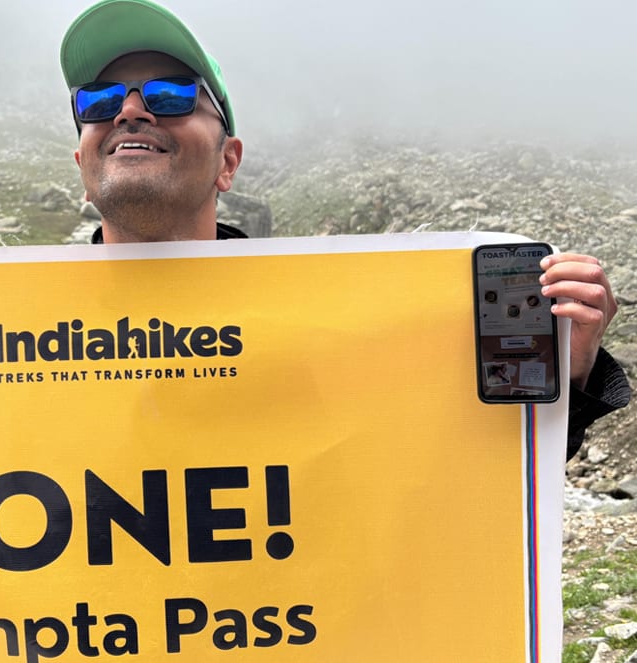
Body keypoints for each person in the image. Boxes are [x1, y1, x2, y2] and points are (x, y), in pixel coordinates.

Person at [59, 0, 630, 458]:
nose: (130, 111)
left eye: (170, 94)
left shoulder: (328, 312)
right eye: (100, 100)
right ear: (83, 168)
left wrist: (565, 380)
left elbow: (447, 475)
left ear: (228, 162)